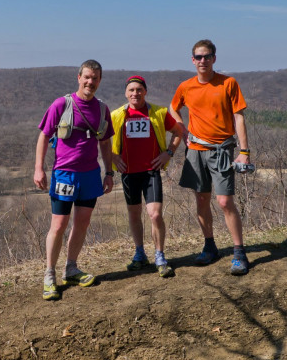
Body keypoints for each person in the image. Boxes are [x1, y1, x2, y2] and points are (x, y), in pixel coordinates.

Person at [169, 39, 253, 275]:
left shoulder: (228, 83)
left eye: (207, 56)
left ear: (214, 58)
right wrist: (182, 129)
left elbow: (239, 117)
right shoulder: (186, 86)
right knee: (202, 200)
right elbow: (173, 107)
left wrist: (244, 152)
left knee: (225, 201)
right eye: (198, 57)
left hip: (222, 150)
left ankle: (239, 252)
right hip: (195, 150)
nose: (202, 61)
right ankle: (210, 246)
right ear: (192, 60)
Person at [34, 59, 115, 301]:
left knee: (82, 223)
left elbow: (105, 142)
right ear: (79, 77)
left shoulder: (102, 109)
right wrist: (39, 168)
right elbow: (44, 135)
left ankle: (71, 268)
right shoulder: (62, 104)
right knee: (58, 225)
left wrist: (109, 173)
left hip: (90, 175)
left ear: (100, 81)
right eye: (87, 77)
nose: (91, 82)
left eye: (95, 78)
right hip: (64, 174)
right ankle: (50, 274)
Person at [110, 75, 183, 278]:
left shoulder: (159, 112)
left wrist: (168, 153)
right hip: (128, 173)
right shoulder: (116, 115)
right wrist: (114, 158)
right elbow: (103, 140)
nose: (135, 93)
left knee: (155, 214)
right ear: (126, 93)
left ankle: (160, 255)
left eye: (139, 90)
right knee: (134, 215)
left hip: (151, 172)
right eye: (131, 90)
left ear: (145, 92)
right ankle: (140, 253)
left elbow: (178, 132)